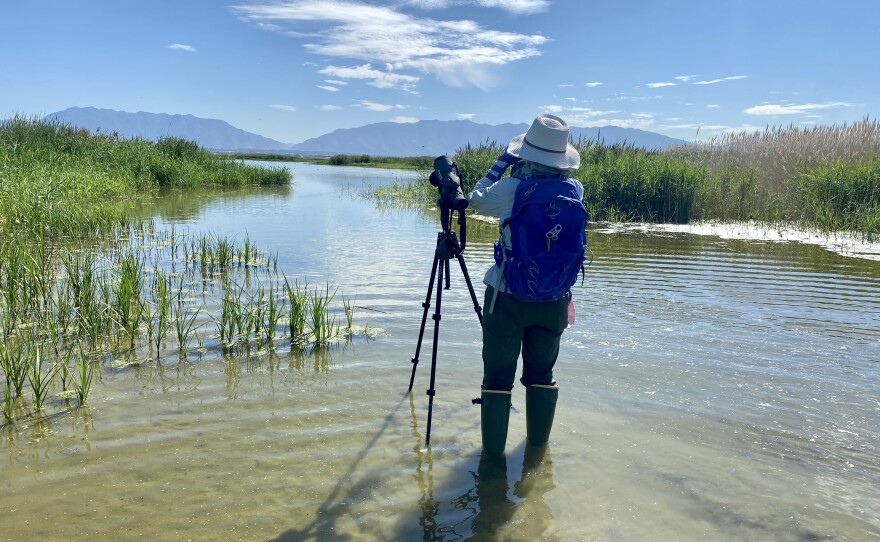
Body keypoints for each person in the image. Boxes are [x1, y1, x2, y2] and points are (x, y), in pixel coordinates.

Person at [468, 114, 584, 454]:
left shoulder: (511, 189)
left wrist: (500, 164)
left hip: (507, 298)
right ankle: (537, 453)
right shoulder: (575, 189)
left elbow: (474, 198)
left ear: (525, 154)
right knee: (541, 375)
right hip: (554, 301)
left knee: (498, 378)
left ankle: (491, 462)